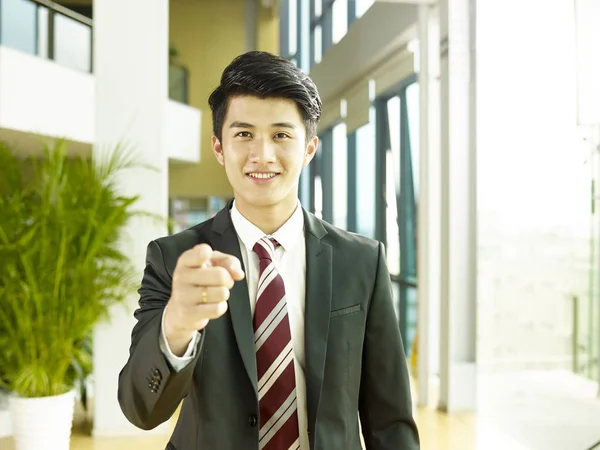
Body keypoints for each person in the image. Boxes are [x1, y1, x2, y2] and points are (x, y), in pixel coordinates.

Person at [117, 51, 420, 450]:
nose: (262, 155)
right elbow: (141, 410)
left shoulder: (362, 261)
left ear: (309, 148)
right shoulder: (175, 259)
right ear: (219, 147)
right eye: (244, 134)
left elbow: (390, 421)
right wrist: (176, 324)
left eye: (281, 134)